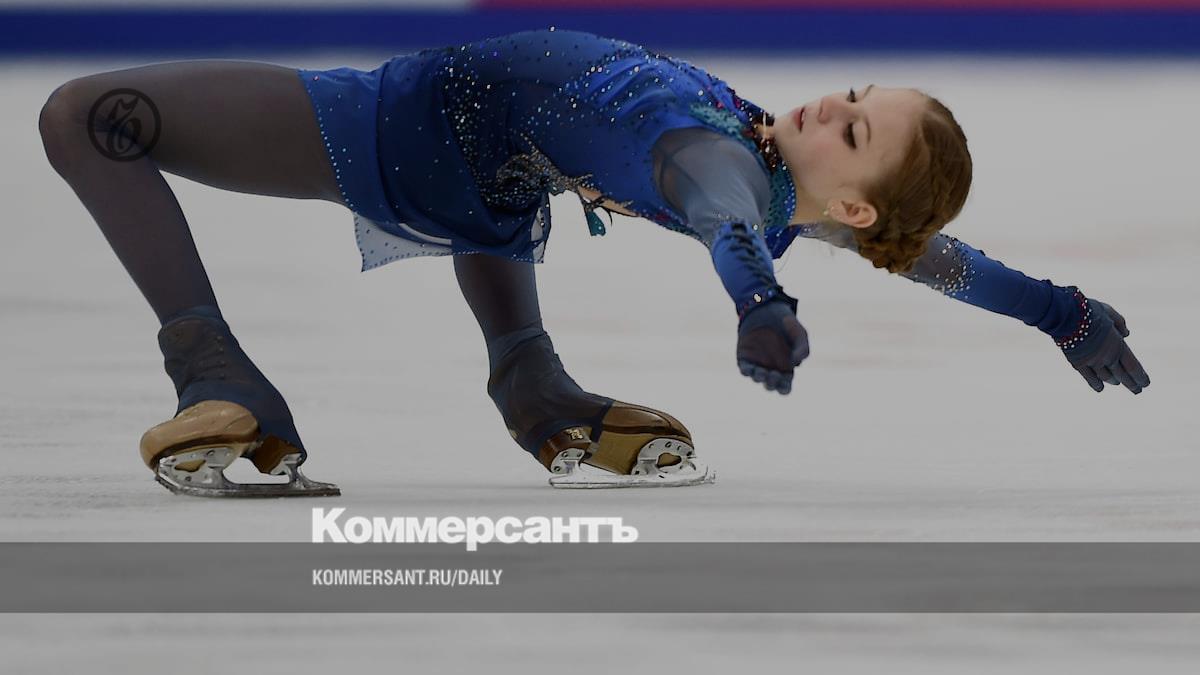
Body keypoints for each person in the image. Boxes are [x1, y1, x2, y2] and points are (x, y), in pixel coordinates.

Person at [38, 29, 1149, 496]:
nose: (829, 105)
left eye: (854, 129)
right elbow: (926, 256)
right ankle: (533, 384)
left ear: (852, 201)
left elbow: (721, 217)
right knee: (508, 183)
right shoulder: (792, 178)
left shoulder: (725, 163)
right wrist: (1060, 311)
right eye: (855, 95)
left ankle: (212, 369)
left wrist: (759, 302)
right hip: (487, 167)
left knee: (88, 115)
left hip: (380, 124)